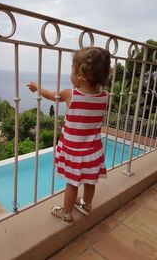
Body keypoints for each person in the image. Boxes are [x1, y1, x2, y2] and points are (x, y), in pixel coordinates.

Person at [27, 47, 110, 226]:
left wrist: (36, 87)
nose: (70, 75)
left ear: (80, 75)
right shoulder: (105, 96)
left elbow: (49, 95)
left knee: (72, 184)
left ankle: (66, 214)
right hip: (93, 150)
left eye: (72, 71)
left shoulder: (71, 94)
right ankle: (86, 205)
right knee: (90, 180)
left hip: (74, 150)